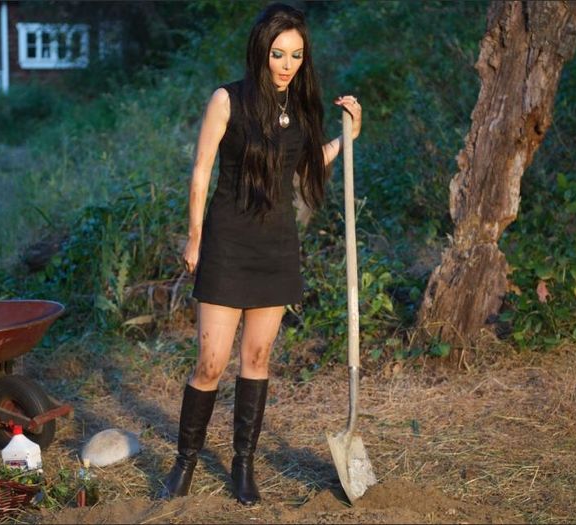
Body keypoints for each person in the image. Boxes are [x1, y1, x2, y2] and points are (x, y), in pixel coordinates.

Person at [160, 3, 362, 505]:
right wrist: (194, 236)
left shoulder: (303, 106)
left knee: (257, 357)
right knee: (210, 362)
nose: (287, 63)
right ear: (261, 49)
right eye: (278, 53)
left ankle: (242, 465)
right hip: (228, 242)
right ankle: (184, 462)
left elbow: (306, 166)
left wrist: (348, 137)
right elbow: (202, 170)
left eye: (296, 55)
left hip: (276, 247)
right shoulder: (227, 100)